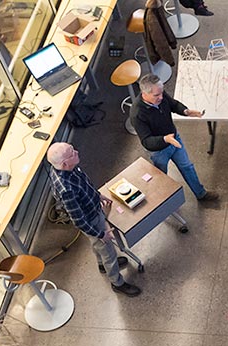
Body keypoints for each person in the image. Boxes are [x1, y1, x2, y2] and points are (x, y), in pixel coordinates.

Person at [46, 142, 142, 297]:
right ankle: (117, 282)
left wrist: (98, 195)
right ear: (64, 163)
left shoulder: (66, 168)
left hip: (93, 208)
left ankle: (101, 265)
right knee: (108, 252)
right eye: (72, 153)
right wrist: (101, 234)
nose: (76, 152)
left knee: (97, 246)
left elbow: (85, 184)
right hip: (91, 221)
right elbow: (79, 221)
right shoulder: (66, 190)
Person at [132, 74, 219, 204]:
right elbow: (146, 141)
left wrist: (185, 111)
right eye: (157, 95)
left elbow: (172, 104)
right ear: (145, 93)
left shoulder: (159, 95)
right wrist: (165, 139)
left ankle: (201, 194)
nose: (161, 97)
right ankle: (164, 202)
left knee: (187, 167)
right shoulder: (137, 113)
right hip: (159, 151)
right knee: (161, 177)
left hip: (174, 139)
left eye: (162, 93)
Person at [142, 0, 178, 68]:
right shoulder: (153, 13)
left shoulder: (151, 13)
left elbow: (160, 41)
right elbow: (160, 42)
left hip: (153, 9)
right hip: (155, 8)